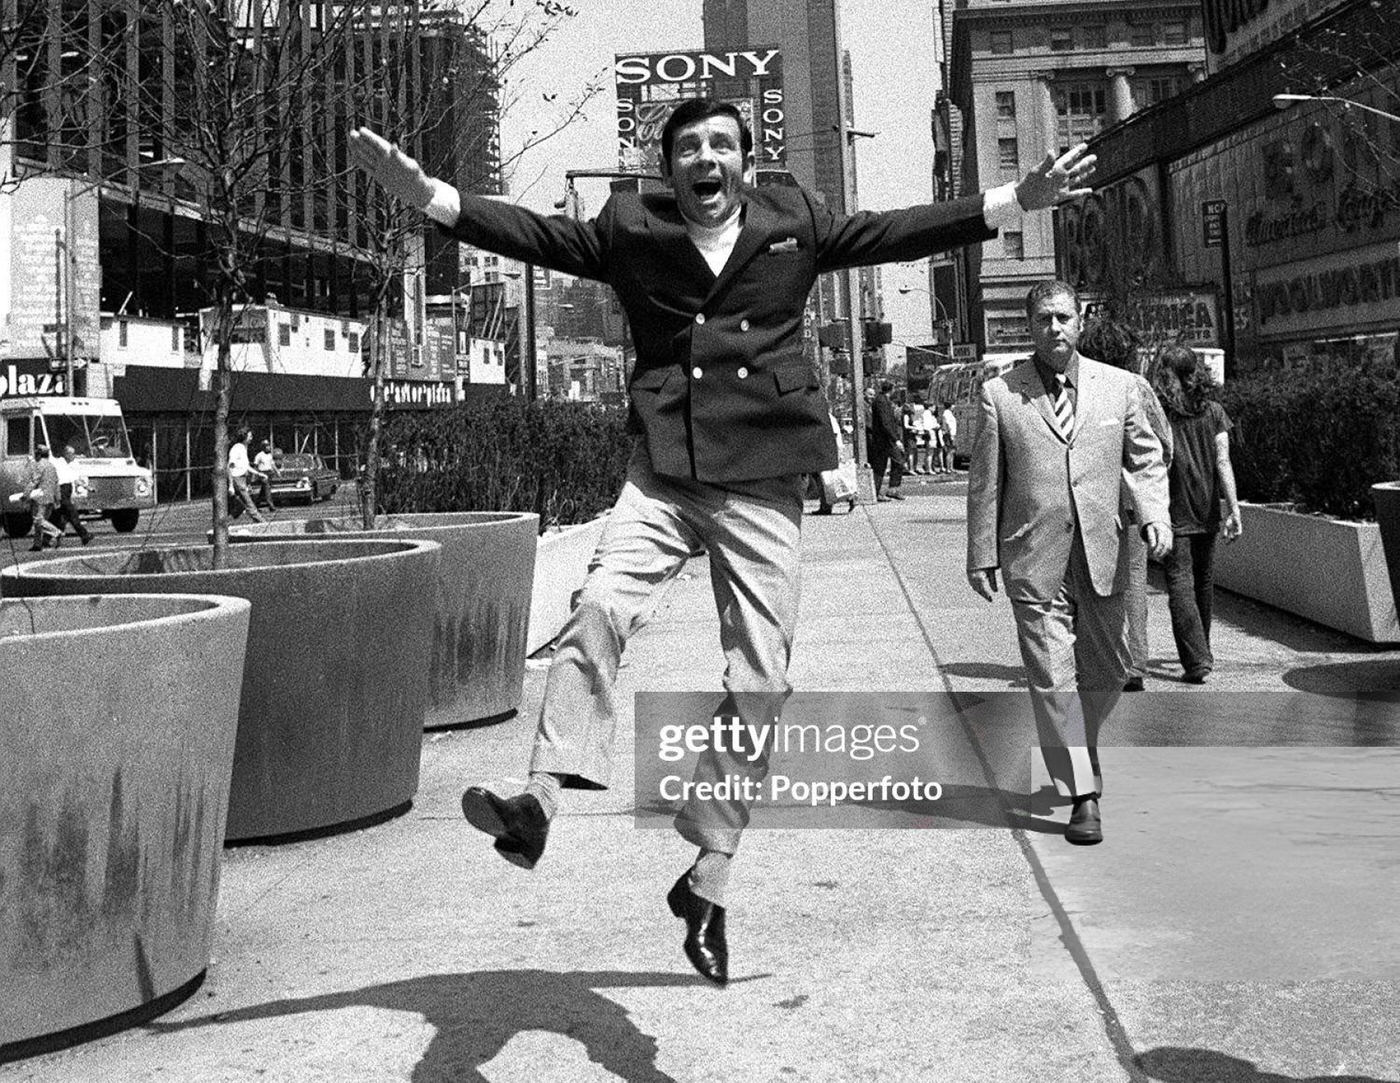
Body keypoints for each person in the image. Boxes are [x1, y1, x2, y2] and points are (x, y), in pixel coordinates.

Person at [352, 98, 1095, 982]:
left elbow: (900, 231)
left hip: (765, 472)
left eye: (722, 144)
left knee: (761, 680)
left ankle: (708, 873)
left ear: (747, 161)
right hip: (664, 466)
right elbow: (536, 237)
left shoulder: (794, 220)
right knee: (597, 607)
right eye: (689, 148)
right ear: (668, 170)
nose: (707, 158)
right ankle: (540, 797)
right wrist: (430, 194)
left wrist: (1017, 200)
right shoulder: (630, 226)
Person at [966, 280, 1170, 846]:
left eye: (1063, 318)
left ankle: (1084, 749)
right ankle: (1083, 794)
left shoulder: (1121, 387)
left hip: (1105, 550)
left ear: (1080, 322)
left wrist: (1155, 514)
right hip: (1033, 558)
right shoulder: (1001, 394)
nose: (1053, 329)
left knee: (1109, 671)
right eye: (1042, 320)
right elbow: (986, 482)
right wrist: (981, 553)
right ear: (1028, 328)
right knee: (1054, 680)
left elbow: (1147, 458)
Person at [1077, 318, 1173, 692]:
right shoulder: (1136, 385)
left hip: (1088, 501)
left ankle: (1100, 661)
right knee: (1132, 587)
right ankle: (1133, 663)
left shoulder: (1078, 386)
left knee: (1091, 588)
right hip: (1130, 506)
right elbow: (1163, 445)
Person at [1151, 342, 1243, 684]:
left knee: (1181, 584)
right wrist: (1233, 509)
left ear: (1174, 376)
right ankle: (1201, 654)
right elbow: (1223, 462)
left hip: (1174, 511)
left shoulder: (1162, 414)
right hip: (1205, 510)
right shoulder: (1214, 412)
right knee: (1201, 582)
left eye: (1166, 374)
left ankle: (1197, 659)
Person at [868, 380, 905, 500]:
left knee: (881, 465)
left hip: (884, 439)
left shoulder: (883, 400)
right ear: (892, 389)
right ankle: (890, 489)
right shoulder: (881, 401)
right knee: (897, 461)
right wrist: (895, 439)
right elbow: (886, 422)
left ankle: (880, 491)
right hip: (885, 440)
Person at [51, 445, 94, 546]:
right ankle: (84, 535)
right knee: (73, 514)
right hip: (62, 494)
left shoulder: (67, 465)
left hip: (65, 494)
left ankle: (51, 539)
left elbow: (75, 479)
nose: (74, 456)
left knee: (61, 519)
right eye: (72, 454)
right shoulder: (59, 464)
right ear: (66, 454)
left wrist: (88, 488)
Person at [27, 446, 63, 551]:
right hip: (50, 497)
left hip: (40, 497)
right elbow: (56, 483)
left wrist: (26, 494)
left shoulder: (39, 465)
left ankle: (56, 532)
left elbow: (34, 481)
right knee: (41, 521)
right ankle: (37, 544)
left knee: (38, 521)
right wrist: (58, 498)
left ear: (38, 454)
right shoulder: (51, 466)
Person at [228, 428, 266, 522]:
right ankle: (261, 522)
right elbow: (230, 466)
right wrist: (231, 485)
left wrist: (258, 473)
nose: (251, 438)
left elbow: (246, 466)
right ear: (244, 437)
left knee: (240, 505)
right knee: (248, 502)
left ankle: (222, 522)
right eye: (250, 436)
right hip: (237, 478)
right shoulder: (237, 448)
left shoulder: (243, 448)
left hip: (243, 479)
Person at [252, 438, 280, 511]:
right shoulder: (259, 455)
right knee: (267, 489)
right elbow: (255, 466)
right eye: (267, 446)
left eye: (269, 446)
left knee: (263, 490)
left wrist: (277, 471)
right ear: (263, 447)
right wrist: (255, 475)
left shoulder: (269, 455)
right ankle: (271, 506)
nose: (269, 447)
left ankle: (256, 505)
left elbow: (272, 464)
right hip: (263, 473)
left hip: (269, 473)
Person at [938, 400, 958, 473]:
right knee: (949, 451)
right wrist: (950, 434)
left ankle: (951, 467)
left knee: (952, 451)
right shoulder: (946, 413)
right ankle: (948, 468)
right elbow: (947, 424)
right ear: (950, 406)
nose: (954, 406)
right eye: (953, 405)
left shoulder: (950, 413)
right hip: (949, 434)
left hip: (952, 433)